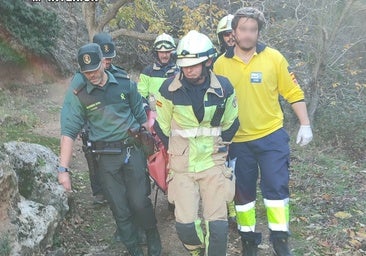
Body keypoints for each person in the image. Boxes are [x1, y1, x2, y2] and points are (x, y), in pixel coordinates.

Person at [213, 7, 313, 256]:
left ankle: (280, 240)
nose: (248, 35)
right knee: (243, 196)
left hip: (271, 137)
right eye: (243, 29)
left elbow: (293, 92)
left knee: (276, 190)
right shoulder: (220, 65)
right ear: (233, 32)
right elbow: (213, 103)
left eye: (253, 30)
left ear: (258, 32)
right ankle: (249, 241)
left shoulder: (274, 58)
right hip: (237, 141)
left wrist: (305, 124)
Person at [58, 43, 162, 256]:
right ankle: (134, 249)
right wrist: (63, 169)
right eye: (86, 72)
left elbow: (143, 120)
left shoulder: (125, 84)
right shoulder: (80, 94)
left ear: (104, 63)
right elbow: (68, 131)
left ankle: (152, 236)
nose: (92, 75)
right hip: (104, 157)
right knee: (119, 208)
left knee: (139, 201)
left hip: (132, 151)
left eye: (95, 69)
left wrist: (151, 151)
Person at [154, 30, 240, 256]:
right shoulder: (167, 90)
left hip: (213, 161)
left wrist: (222, 146)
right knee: (186, 227)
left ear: (208, 61)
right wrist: (177, 151)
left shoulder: (224, 88)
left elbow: (232, 122)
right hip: (182, 166)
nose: (188, 69)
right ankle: (197, 250)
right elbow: (161, 128)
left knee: (218, 226)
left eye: (194, 64)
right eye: (184, 64)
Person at [216, 13, 237, 225]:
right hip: (225, 124)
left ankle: (239, 204)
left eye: (232, 32)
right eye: (226, 34)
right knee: (225, 168)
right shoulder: (216, 63)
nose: (230, 37)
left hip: (248, 126)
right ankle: (230, 209)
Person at [137, 33, 179, 111]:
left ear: (172, 52)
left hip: (174, 116)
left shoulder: (179, 72)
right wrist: (146, 110)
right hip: (153, 115)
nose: (164, 55)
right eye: (161, 52)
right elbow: (140, 94)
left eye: (167, 52)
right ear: (156, 53)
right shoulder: (147, 71)